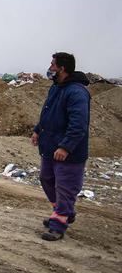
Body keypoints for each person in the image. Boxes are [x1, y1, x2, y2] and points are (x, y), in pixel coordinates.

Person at [31, 52, 90, 242]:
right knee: (46, 178)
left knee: (65, 187)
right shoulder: (56, 88)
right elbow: (48, 113)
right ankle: (63, 212)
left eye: (52, 65)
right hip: (49, 147)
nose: (50, 68)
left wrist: (66, 147)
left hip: (69, 153)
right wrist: (38, 130)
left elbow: (78, 124)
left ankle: (58, 225)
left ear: (62, 68)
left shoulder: (77, 92)